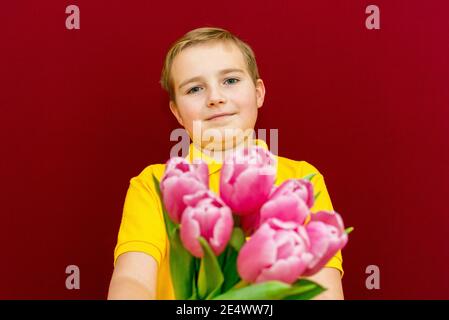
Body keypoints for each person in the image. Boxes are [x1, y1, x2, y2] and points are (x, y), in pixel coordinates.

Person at [107, 27, 344, 300]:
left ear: (258, 93)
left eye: (230, 81)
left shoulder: (301, 181)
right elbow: (132, 279)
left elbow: (323, 289)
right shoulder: (155, 184)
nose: (215, 97)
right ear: (177, 113)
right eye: (195, 88)